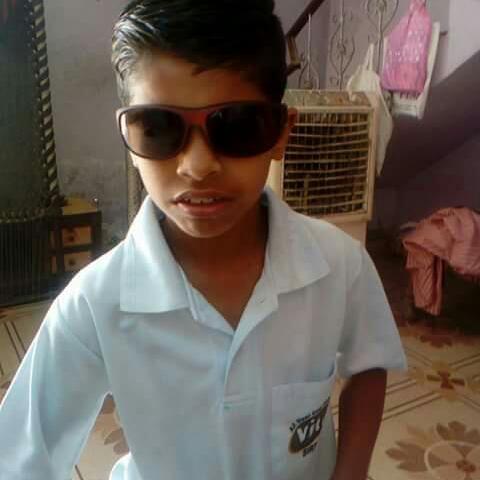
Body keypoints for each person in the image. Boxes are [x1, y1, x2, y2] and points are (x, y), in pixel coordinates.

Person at [0, 0, 407, 479]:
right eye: (158, 128)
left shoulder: (340, 265)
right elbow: (20, 457)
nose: (197, 166)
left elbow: (369, 364)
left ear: (281, 132)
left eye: (236, 126)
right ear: (128, 137)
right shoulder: (94, 305)